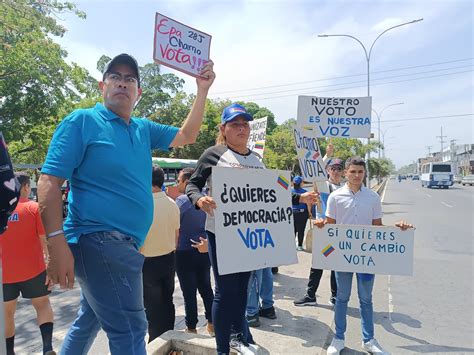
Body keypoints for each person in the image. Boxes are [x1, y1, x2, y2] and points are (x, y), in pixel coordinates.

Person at [37, 53, 215, 355]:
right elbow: (49, 182)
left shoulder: (142, 128)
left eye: (130, 79)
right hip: (100, 240)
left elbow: (188, 135)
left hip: (125, 246)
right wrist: (54, 246)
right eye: (115, 77)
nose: (122, 82)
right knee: (132, 329)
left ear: (138, 92)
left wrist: (202, 90)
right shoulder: (82, 121)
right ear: (102, 85)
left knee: (89, 319)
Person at [186, 103, 318, 355]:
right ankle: (223, 348)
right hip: (222, 234)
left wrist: (299, 198)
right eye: (234, 124)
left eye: (245, 123)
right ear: (223, 129)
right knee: (224, 293)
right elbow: (192, 185)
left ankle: (240, 337)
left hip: (250, 236)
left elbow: (271, 192)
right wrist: (199, 200)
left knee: (242, 289)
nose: (241, 128)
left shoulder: (257, 160)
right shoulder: (213, 154)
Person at [314, 156, 413, 355]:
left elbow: (377, 229)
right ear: (345, 173)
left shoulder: (373, 198)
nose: (357, 175)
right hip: (341, 257)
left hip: (367, 259)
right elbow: (330, 226)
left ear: (364, 173)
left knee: (366, 299)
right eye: (353, 172)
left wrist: (398, 231)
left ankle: (368, 340)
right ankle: (339, 338)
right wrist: (322, 226)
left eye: (360, 172)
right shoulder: (335, 197)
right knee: (341, 298)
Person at [1, 172, 55, 355]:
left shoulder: (2, 212)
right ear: (25, 187)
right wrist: (50, 264)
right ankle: (47, 347)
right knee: (42, 305)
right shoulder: (34, 208)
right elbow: (44, 241)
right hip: (34, 269)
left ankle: (9, 352)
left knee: (7, 313)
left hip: (5, 274)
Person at [293, 158, 344, 307]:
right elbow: (314, 169)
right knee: (317, 264)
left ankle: (335, 296)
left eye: (338, 168)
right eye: (332, 168)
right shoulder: (322, 185)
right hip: (323, 231)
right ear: (327, 170)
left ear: (343, 171)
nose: (335, 171)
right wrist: (326, 155)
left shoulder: (345, 188)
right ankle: (310, 295)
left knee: (336, 265)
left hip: (339, 232)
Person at [140, 166, 180, 342]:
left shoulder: (142, 205)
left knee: (152, 304)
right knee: (167, 300)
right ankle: (169, 334)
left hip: (148, 262)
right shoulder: (173, 204)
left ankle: (156, 341)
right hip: (169, 258)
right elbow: (176, 235)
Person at [174, 168, 214, 336]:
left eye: (179, 181)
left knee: (189, 292)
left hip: (184, 252)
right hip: (205, 250)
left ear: (187, 182)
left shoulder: (182, 201)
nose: (177, 184)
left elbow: (174, 227)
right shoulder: (208, 200)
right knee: (206, 288)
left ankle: (191, 327)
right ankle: (212, 323)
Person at [291, 175, 308, 251]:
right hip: (302, 213)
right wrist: (310, 213)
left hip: (292, 213)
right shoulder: (305, 192)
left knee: (292, 230)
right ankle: (300, 245)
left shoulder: (289, 191)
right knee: (301, 230)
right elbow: (309, 204)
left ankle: (291, 245)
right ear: (301, 183)